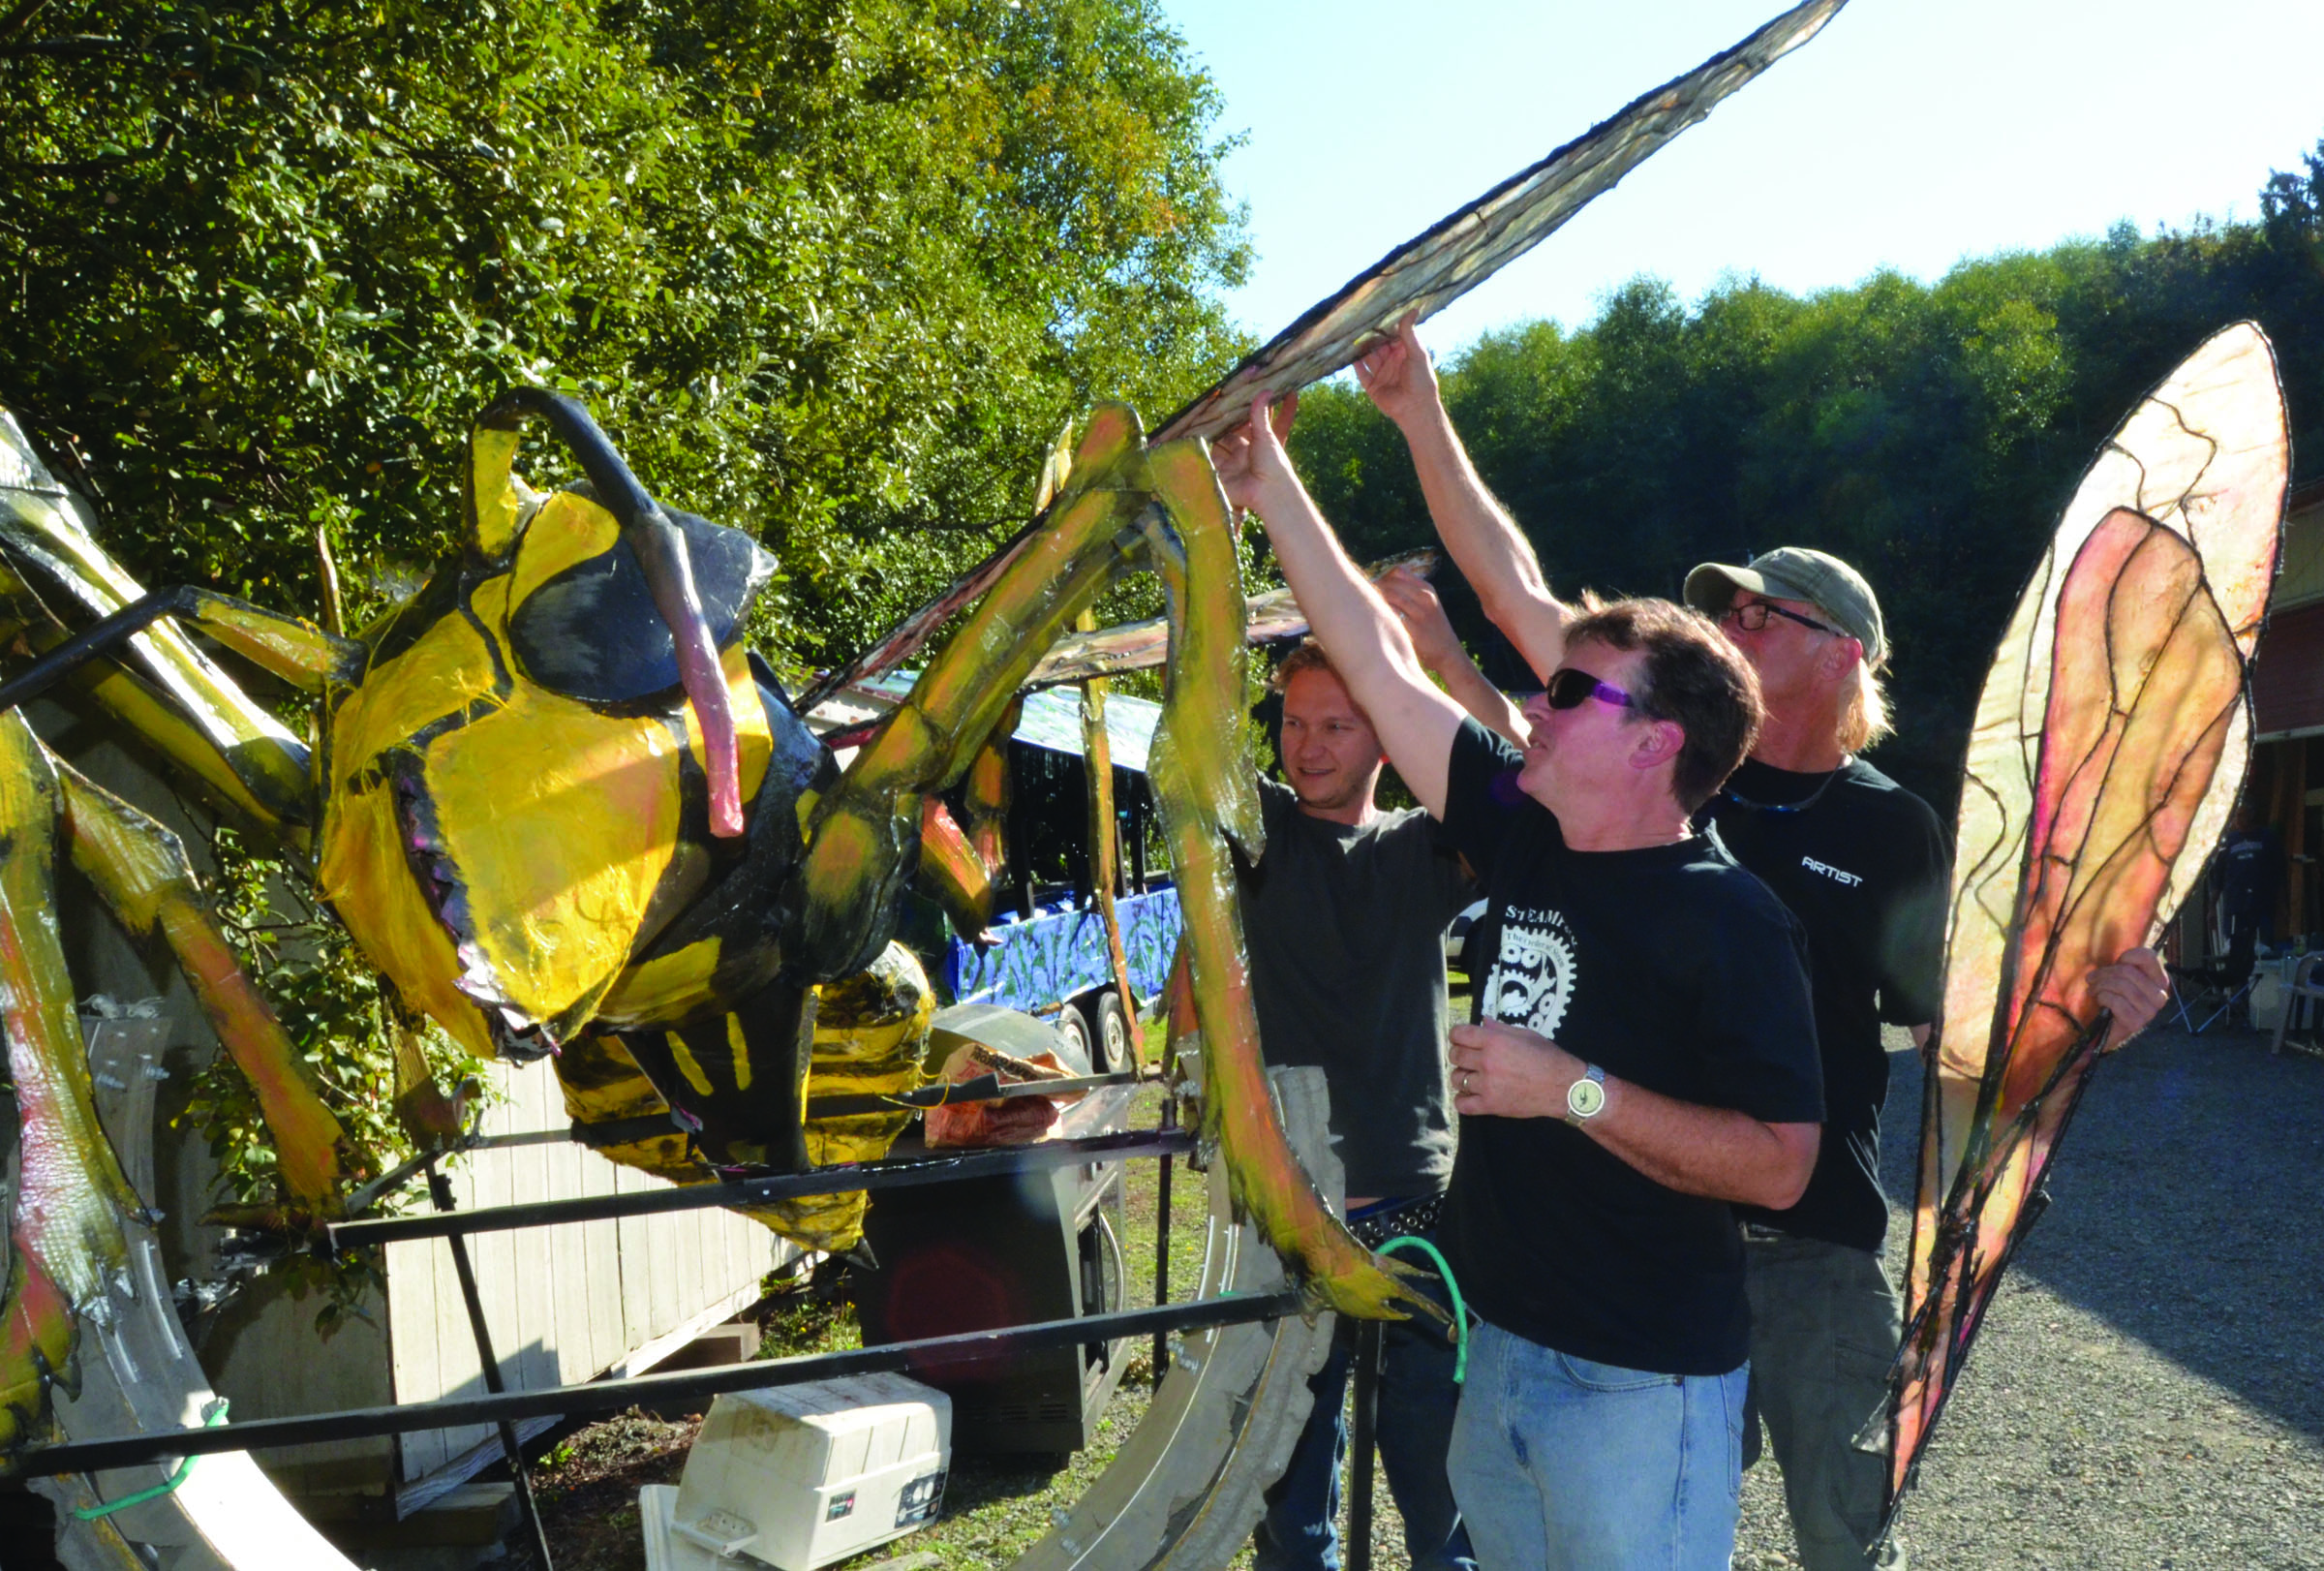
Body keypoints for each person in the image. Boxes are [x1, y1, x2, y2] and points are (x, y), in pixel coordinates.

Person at [1347, 314, 2171, 1569]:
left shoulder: (1890, 827)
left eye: (1761, 610)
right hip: (1640, 1247)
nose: (1729, 619)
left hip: (1813, 1244)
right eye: (1722, 606)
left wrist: (2090, 1016)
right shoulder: (1660, 761)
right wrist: (1417, 410)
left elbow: (1959, 1034)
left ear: (1845, 652)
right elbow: (1513, 582)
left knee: (1849, 1538)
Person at [1214, 393, 1827, 1571]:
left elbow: (1781, 1163)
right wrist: (1267, 482)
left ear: (1654, 743)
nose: (1535, 703)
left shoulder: (1734, 919)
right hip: (1498, 1344)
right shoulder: (1527, 831)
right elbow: (1379, 664)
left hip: (1636, 1380)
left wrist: (1572, 1088)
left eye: (1571, 694)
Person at [1240, 638, 1480, 1571]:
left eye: (1338, 725)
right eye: (1295, 722)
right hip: (1287, 1213)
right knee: (1290, 1511)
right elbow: (1186, 746)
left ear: (1386, 735)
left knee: (1440, 1501)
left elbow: (1513, 787)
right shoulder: (1256, 831)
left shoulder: (1424, 847)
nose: (1309, 746)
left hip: (1413, 1214)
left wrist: (1432, 666)